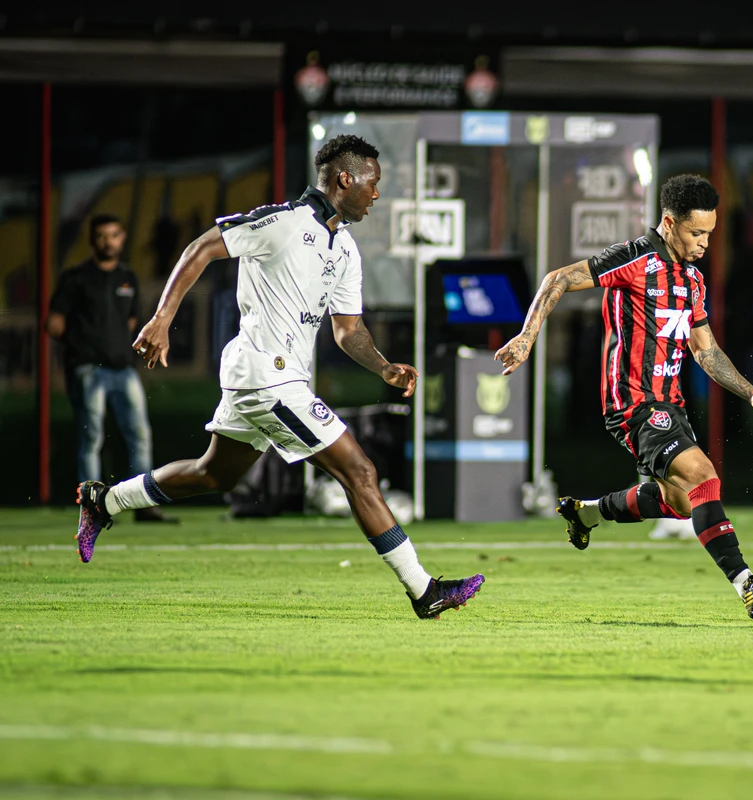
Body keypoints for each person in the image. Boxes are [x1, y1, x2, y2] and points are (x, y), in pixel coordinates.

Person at [73, 134, 483, 620]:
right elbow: (201, 247)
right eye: (372, 183)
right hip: (267, 375)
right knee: (360, 472)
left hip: (273, 379)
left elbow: (348, 330)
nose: (377, 194)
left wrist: (383, 366)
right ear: (344, 179)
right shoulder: (282, 222)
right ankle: (424, 590)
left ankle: (105, 501)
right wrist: (162, 319)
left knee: (215, 474)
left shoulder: (345, 248)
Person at [496, 174, 753, 620]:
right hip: (633, 403)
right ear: (670, 222)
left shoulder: (692, 280)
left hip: (670, 404)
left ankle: (586, 515)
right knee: (703, 477)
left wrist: (752, 395)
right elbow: (557, 278)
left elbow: (706, 350)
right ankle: (746, 584)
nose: (704, 243)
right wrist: (526, 336)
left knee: (679, 503)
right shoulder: (635, 258)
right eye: (696, 232)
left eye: (710, 234)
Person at [47, 214, 176, 523]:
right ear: (92, 240)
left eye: (114, 235)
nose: (108, 242)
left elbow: (132, 323)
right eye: (102, 236)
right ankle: (91, 509)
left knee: (139, 435)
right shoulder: (76, 278)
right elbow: (54, 324)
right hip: (89, 369)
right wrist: (84, 347)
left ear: (123, 237)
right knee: (92, 438)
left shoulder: (127, 277)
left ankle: (144, 505)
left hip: (123, 369)